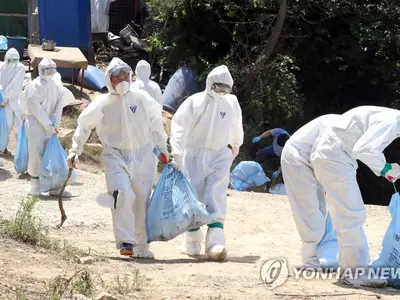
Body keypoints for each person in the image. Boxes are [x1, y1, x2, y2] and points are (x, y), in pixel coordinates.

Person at [66, 58, 169, 259]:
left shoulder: (142, 98)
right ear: (109, 79)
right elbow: (84, 125)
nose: (122, 79)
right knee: (122, 194)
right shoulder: (102, 102)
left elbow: (156, 124)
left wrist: (162, 148)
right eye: (117, 76)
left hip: (143, 154)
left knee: (141, 199)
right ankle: (126, 241)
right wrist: (74, 150)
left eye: (125, 75)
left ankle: (141, 244)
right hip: (114, 154)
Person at [309, 105, 400, 287]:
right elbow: (364, 149)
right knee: (351, 214)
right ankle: (355, 272)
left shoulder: (389, 117)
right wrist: (386, 168)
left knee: (347, 214)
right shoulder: (391, 122)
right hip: (334, 157)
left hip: (334, 155)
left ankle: (350, 270)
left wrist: (384, 169)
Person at [170, 65, 244, 261]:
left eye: (226, 88)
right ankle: (192, 242)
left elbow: (236, 124)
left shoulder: (231, 103)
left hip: (219, 153)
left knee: (217, 192)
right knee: (193, 195)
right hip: (193, 153)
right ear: (210, 83)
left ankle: (216, 242)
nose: (222, 91)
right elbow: (179, 126)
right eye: (219, 87)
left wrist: (236, 144)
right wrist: (177, 151)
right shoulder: (194, 102)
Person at [281, 114, 340, 271]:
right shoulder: (338, 130)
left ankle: (320, 256)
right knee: (308, 209)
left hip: (314, 161)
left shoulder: (347, 130)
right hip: (297, 158)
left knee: (321, 208)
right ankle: (310, 261)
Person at [24, 57, 73, 197]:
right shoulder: (34, 86)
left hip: (50, 125)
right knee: (35, 152)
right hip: (35, 124)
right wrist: (49, 125)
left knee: (51, 154)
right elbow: (35, 109)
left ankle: (55, 185)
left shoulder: (57, 85)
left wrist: (55, 124)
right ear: (40, 70)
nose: (49, 72)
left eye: (52, 69)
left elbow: (59, 106)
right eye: (47, 70)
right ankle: (35, 183)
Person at [0, 48, 25, 153]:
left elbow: (15, 85)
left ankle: (20, 150)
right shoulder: (3, 67)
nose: (12, 63)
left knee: (20, 126)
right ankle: (2, 147)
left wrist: (5, 97)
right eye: (10, 60)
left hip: (16, 100)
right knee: (7, 124)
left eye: (14, 60)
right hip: (5, 103)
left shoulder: (20, 67)